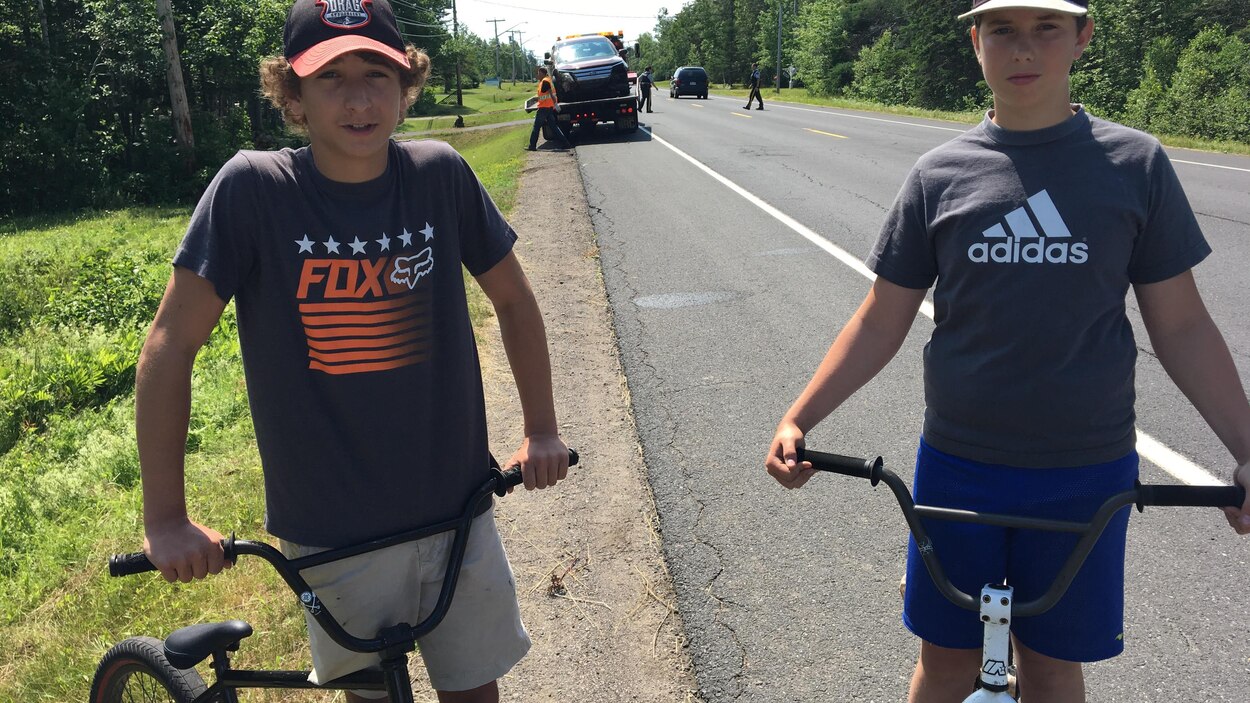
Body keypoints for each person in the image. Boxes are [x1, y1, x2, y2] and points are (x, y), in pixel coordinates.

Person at [764, 1, 1250, 702]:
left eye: (1046, 28)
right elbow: (880, 320)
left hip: (1085, 473)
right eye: (1003, 31)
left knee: (1051, 666)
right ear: (976, 42)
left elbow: (1182, 326)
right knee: (946, 661)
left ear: (1082, 37)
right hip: (959, 468)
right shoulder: (939, 175)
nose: (1024, 49)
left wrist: (1245, 446)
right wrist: (799, 417)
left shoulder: (1135, 164)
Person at [136, 1, 571, 702]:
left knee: (476, 690)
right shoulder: (254, 191)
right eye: (331, 77)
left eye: (377, 73)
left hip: (456, 508)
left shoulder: (439, 175)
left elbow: (515, 301)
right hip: (334, 531)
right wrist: (165, 517)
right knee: (372, 693)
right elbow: (170, 344)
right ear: (293, 94)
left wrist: (542, 428)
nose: (359, 98)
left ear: (407, 84)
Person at [528, 66, 570, 151]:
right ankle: (566, 143)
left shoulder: (545, 81)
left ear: (543, 73)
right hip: (548, 108)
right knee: (554, 127)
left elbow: (550, 94)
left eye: (539, 73)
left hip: (544, 108)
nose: (538, 75)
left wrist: (555, 104)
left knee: (536, 127)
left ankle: (532, 146)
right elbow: (545, 95)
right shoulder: (547, 80)